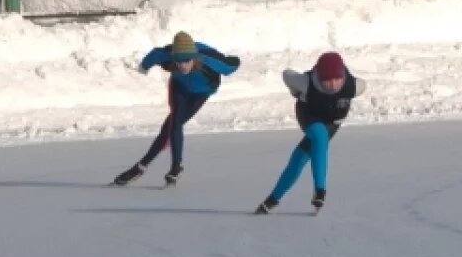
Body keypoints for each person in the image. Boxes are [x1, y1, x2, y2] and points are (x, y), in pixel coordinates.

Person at [112, 31, 240, 186]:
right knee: (174, 123)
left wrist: (234, 60)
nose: (182, 65)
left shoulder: (210, 60)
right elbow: (153, 55)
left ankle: (143, 166)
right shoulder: (166, 55)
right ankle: (174, 167)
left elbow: (232, 64)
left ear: (194, 57)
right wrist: (144, 67)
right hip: (179, 87)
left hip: (202, 92)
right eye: (179, 61)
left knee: (171, 126)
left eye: (187, 61)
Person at [255, 51, 365, 214]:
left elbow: (362, 85)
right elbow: (286, 74)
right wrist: (295, 91)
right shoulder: (306, 82)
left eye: (337, 80)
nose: (333, 85)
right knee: (320, 137)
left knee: (299, 159)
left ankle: (272, 200)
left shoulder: (355, 86)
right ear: (319, 78)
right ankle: (320, 190)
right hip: (309, 116)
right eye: (327, 81)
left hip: (331, 123)